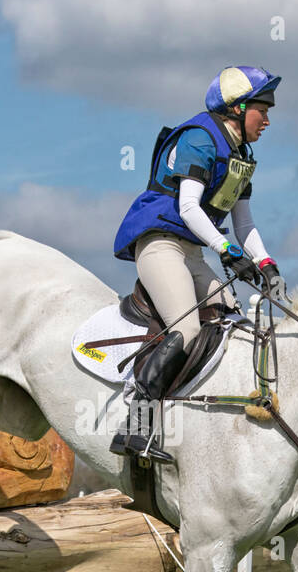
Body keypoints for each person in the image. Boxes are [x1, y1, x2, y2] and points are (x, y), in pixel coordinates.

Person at [110, 65, 283, 463]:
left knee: (234, 323)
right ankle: (136, 422)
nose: (268, 120)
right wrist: (225, 250)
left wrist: (267, 263)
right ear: (238, 109)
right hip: (160, 245)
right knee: (187, 328)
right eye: (263, 110)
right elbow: (188, 207)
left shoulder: (240, 155)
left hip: (191, 251)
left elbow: (245, 223)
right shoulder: (199, 139)